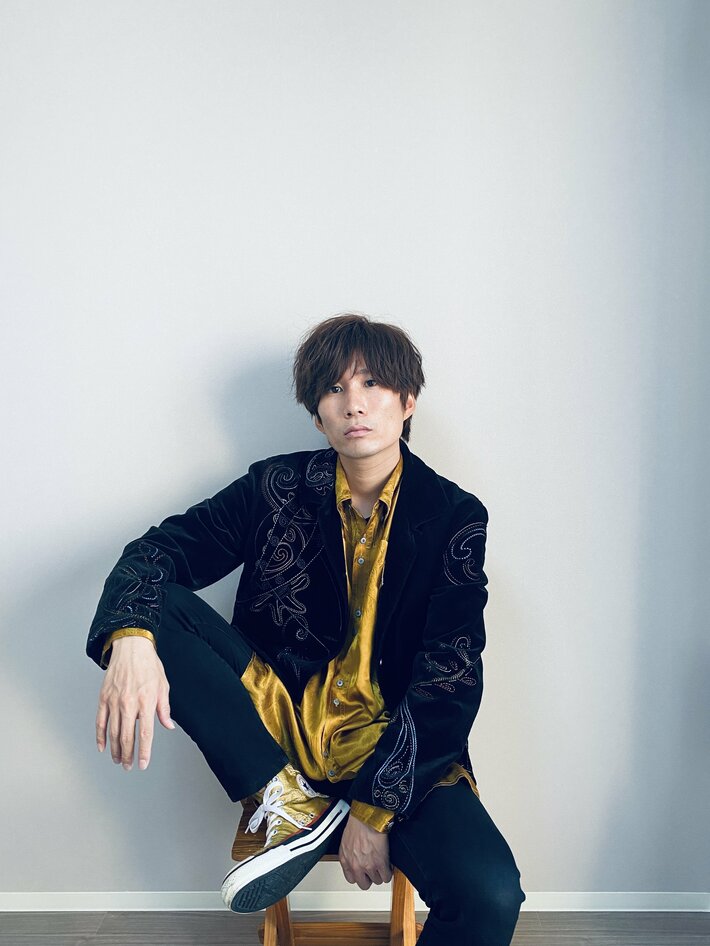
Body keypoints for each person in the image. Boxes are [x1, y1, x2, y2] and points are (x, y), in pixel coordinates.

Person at [88, 313, 526, 944]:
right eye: (334, 389)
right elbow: (155, 554)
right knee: (154, 603)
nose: (354, 404)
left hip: (393, 750)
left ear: (407, 401)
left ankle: (332, 806)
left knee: (491, 894)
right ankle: (289, 804)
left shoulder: (453, 516)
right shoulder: (275, 487)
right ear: (318, 415)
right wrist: (131, 639)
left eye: (372, 384)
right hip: (278, 736)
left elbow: (449, 677)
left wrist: (375, 810)